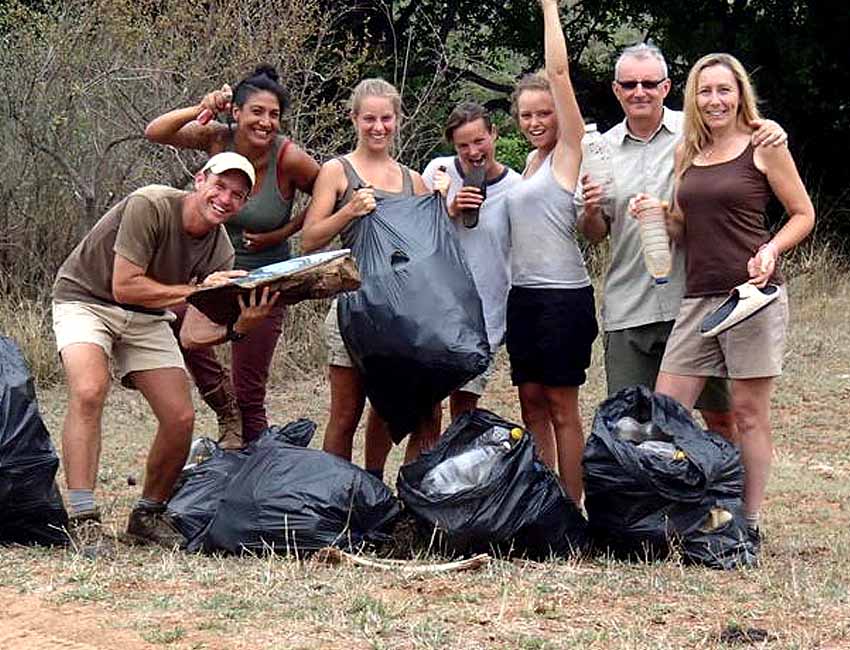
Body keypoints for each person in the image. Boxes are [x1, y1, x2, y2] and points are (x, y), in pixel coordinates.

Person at [52, 152, 279, 546]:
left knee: (180, 417)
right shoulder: (151, 204)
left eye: (237, 195)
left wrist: (238, 327)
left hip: (147, 316)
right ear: (199, 180)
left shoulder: (220, 249)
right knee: (89, 389)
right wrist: (195, 290)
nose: (225, 199)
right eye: (220, 187)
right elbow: (125, 285)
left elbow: (192, 335)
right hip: (86, 299)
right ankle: (84, 517)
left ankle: (147, 515)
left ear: (243, 204)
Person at [576, 43, 788, 444]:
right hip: (629, 305)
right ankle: (651, 508)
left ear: (667, 87)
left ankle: (725, 502)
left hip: (695, 301)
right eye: (629, 84)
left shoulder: (697, 135)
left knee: (722, 419)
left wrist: (773, 128)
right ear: (616, 89)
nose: (640, 91)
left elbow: (747, 131)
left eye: (649, 83)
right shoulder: (599, 150)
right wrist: (589, 211)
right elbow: (594, 232)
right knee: (631, 428)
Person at [650, 53, 814, 545]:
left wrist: (771, 248)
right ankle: (676, 511)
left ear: (740, 93)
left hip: (752, 298)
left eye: (725, 90)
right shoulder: (687, 153)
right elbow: (682, 228)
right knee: (666, 410)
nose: (715, 100)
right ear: (693, 99)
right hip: (699, 298)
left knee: (747, 413)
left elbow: (803, 214)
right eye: (705, 91)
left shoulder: (764, 145)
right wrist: (657, 214)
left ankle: (750, 521)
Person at [145, 65, 320, 448]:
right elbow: (155, 132)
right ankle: (225, 410)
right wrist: (200, 108)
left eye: (274, 114)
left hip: (263, 283)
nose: (266, 122)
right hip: (210, 277)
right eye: (256, 111)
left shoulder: (288, 157)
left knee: (250, 389)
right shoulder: (216, 139)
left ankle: (252, 470)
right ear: (236, 112)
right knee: (175, 324)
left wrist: (284, 231)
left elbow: (330, 189)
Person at [301, 78, 447, 477]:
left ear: (398, 120)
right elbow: (309, 241)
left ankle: (375, 489)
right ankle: (334, 502)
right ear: (354, 119)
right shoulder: (336, 171)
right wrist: (348, 212)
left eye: (386, 118)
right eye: (369, 119)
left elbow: (426, 250)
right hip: (352, 308)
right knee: (345, 414)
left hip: (399, 314)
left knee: (390, 408)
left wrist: (442, 205)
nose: (378, 127)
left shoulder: (412, 180)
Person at [504, 0, 597, 504]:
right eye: (527, 115)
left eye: (545, 112)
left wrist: (549, 8)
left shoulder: (568, 152)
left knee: (562, 406)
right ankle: (541, 506)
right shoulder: (530, 164)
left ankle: (572, 504)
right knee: (530, 403)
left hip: (563, 298)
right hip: (525, 297)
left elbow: (558, 70)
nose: (537, 121)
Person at [421, 102, 521, 420]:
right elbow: (416, 233)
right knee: (427, 408)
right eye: (463, 145)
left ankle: (456, 467)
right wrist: (449, 209)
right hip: (435, 308)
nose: (473, 151)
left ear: (494, 134)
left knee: (465, 407)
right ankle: (425, 469)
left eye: (479, 141)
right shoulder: (439, 172)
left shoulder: (515, 188)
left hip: (484, 313)